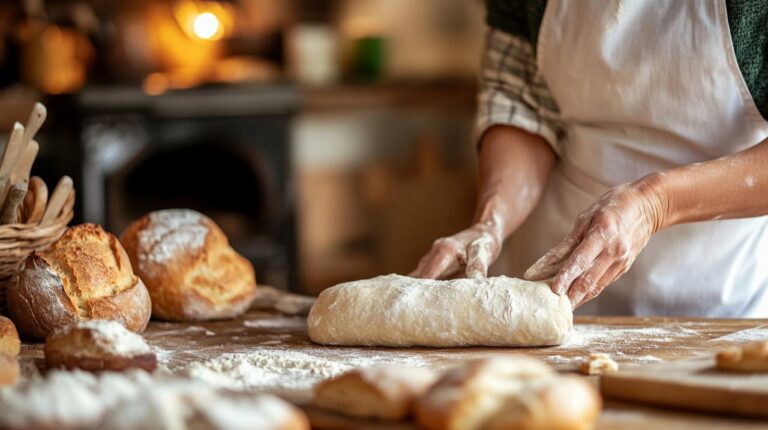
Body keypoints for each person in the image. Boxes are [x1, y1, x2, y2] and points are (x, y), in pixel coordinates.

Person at [412, 0, 768, 317]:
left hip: (716, 302)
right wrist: (492, 220)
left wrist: (653, 204)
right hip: (551, 292)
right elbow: (522, 102)